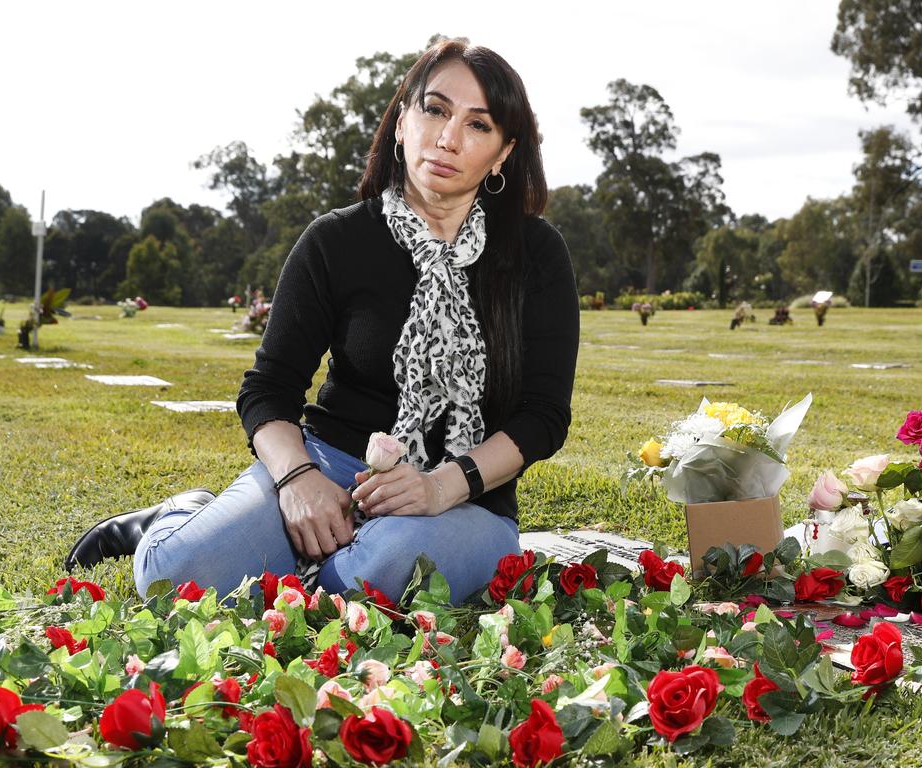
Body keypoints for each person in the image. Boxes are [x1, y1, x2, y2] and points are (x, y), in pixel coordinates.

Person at [65, 40, 580, 606]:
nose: (448, 138)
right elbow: (269, 390)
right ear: (403, 119)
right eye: (435, 110)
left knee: (383, 574)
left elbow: (543, 416)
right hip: (331, 466)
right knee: (176, 576)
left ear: (503, 152)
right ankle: (178, 516)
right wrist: (298, 481)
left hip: (467, 498)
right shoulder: (336, 241)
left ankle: (331, 566)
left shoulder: (536, 253)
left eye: (478, 125)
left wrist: (440, 485)